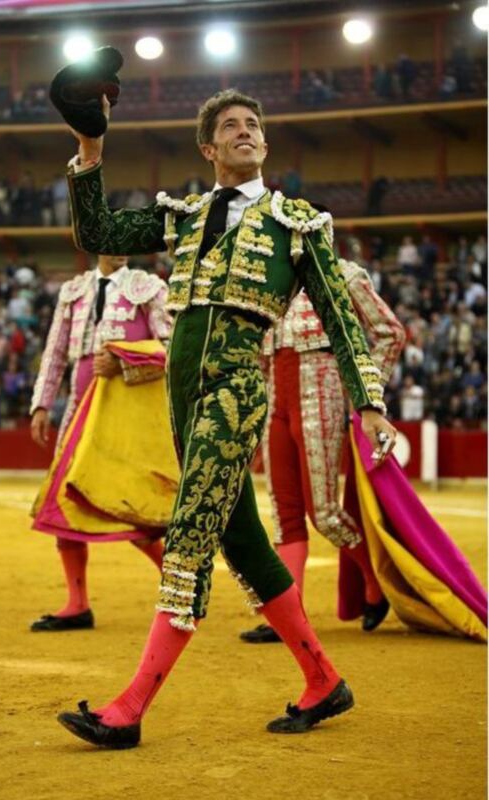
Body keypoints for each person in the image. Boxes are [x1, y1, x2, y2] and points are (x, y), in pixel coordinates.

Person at [57, 89, 396, 748]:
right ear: (208, 149)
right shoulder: (182, 216)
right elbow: (96, 233)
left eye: (254, 125)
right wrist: (91, 148)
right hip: (181, 395)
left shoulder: (296, 223)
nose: (246, 132)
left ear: (264, 145)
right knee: (241, 538)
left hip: (237, 389)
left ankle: (130, 707)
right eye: (231, 127)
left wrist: (370, 401)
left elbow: (338, 315)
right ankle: (323, 679)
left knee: (190, 524)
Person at [240, 259, 405, 644]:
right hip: (275, 392)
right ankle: (288, 615)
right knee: (284, 513)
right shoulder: (271, 276)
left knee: (326, 514)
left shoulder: (343, 274)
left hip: (323, 387)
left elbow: (389, 333)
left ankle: (376, 585)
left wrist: (364, 393)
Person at [29, 254, 173, 632]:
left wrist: (126, 363)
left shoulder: (149, 288)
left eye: (123, 242)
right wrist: (42, 403)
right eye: (110, 242)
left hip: (122, 410)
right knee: (64, 498)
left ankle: (179, 585)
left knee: (127, 502)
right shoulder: (73, 292)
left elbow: (173, 348)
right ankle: (77, 604)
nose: (118, 249)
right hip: (78, 406)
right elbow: (55, 353)